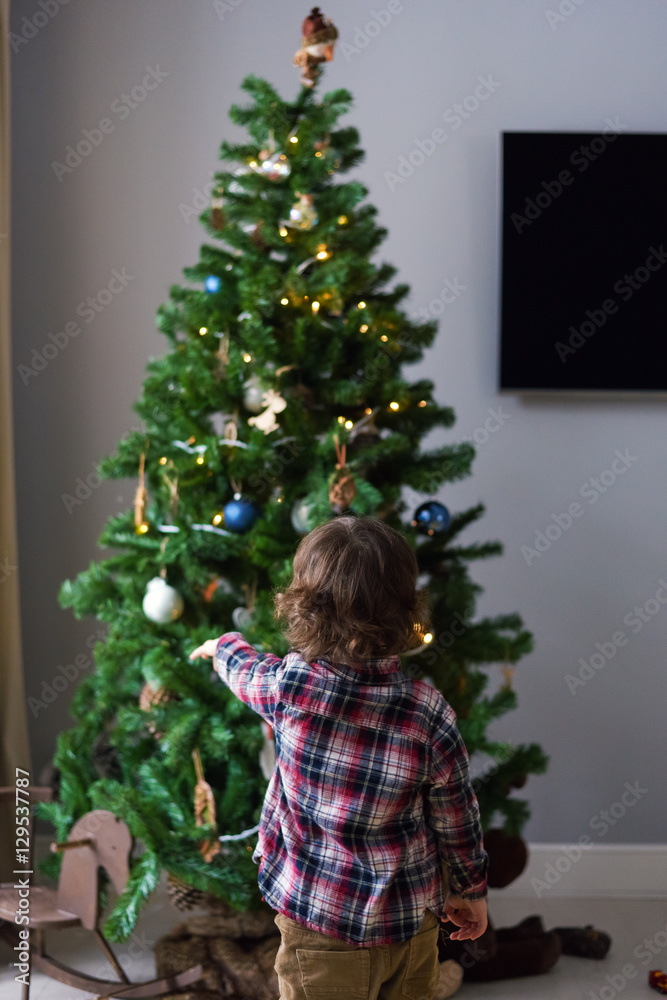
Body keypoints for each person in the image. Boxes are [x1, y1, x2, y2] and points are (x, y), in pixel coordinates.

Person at [189, 515, 488, 1000]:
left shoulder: (290, 686)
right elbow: (458, 817)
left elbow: (243, 669)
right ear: (406, 608)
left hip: (319, 922)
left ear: (305, 606)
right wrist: (472, 890)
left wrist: (221, 646)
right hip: (409, 922)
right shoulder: (429, 713)